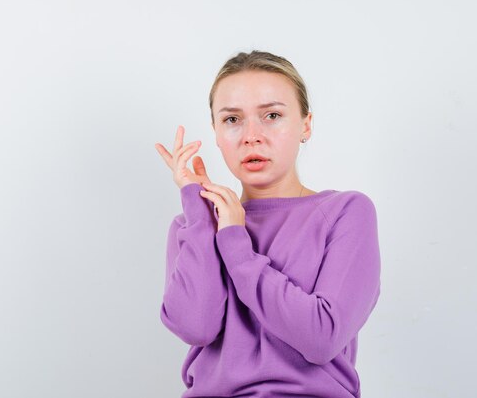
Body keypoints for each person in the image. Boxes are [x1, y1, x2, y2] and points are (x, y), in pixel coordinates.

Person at [154, 50, 381, 398]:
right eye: (232, 120)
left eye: (272, 115)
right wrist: (200, 213)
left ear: (306, 124)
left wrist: (235, 242)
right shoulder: (192, 225)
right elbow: (196, 326)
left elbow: (322, 338)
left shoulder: (346, 212)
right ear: (215, 131)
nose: (251, 136)